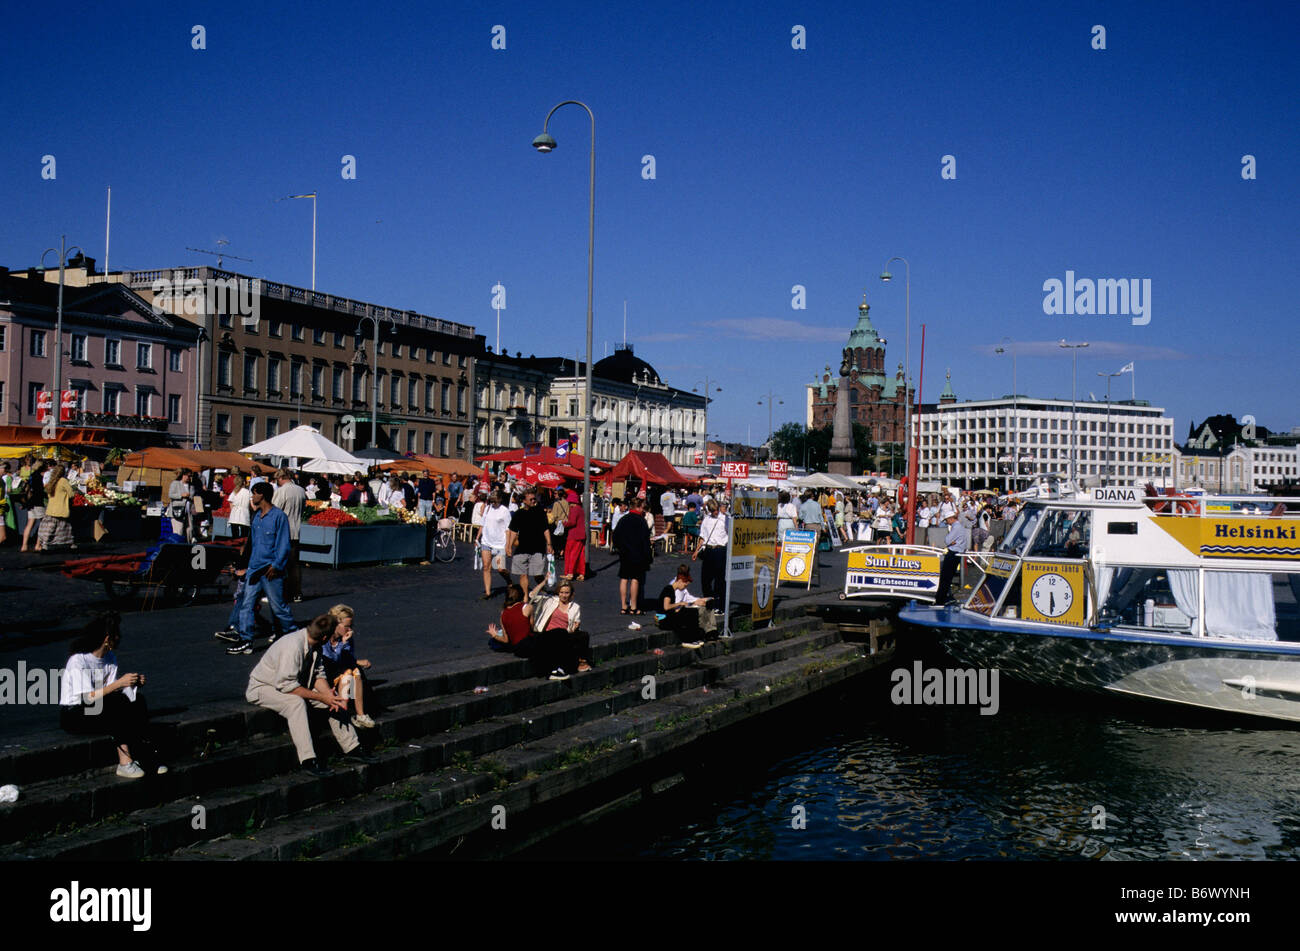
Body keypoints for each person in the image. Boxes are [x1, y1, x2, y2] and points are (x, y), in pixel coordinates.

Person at [246, 614, 374, 776]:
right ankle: (308, 760)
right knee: (295, 704)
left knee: (334, 699)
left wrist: (329, 695)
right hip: (264, 687)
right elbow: (286, 686)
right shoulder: (292, 647)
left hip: (291, 684)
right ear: (325, 637)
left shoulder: (315, 644)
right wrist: (322, 697)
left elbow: (317, 675)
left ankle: (353, 748)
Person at [59, 613, 166, 778]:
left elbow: (111, 690)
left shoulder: (110, 657)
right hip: (74, 713)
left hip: (98, 707)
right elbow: (88, 698)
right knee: (117, 705)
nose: (120, 638)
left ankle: (146, 756)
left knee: (137, 700)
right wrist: (119, 684)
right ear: (107, 638)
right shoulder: (78, 660)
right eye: (117, 635)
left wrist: (131, 683)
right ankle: (125, 762)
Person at [228, 482, 297, 655]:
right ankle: (246, 640)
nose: (252, 497)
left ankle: (293, 636)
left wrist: (276, 565)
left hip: (270, 570)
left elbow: (283, 544)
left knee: (278, 607)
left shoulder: (278, 517)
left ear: (263, 495)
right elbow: (251, 544)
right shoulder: (256, 516)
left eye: (255, 494)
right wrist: (242, 567)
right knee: (246, 603)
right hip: (254, 568)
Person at [320, 603, 376, 729]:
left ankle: (360, 715)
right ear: (335, 624)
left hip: (342, 670)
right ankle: (343, 711)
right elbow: (331, 659)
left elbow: (348, 657)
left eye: (351, 626)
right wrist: (343, 644)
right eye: (347, 626)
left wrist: (357, 661)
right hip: (326, 673)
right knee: (348, 673)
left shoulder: (346, 637)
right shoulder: (324, 638)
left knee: (354, 671)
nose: (350, 630)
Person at [530, 578, 591, 680]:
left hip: (564, 635)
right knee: (559, 634)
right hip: (548, 634)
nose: (564, 595)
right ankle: (557, 669)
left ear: (571, 594)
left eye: (567, 593)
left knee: (583, 634)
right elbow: (532, 595)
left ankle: (581, 662)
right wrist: (544, 581)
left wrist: (575, 627)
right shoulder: (550, 600)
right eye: (562, 592)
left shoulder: (575, 607)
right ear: (558, 592)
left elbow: (574, 624)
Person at [658, 564, 716, 648]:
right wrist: (680, 604)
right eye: (685, 585)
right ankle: (689, 639)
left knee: (692, 611)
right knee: (690, 613)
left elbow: (686, 597)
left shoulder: (673, 589)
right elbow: (666, 607)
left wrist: (698, 600)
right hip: (664, 618)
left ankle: (697, 637)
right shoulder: (668, 589)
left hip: (669, 615)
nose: (685, 587)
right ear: (680, 581)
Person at [612, 496, 653, 614]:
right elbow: (645, 541)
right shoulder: (641, 521)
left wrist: (620, 548)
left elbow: (615, 537)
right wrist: (648, 557)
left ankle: (623, 606)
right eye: (642, 508)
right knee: (635, 579)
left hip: (625, 553)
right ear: (638, 507)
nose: (644, 510)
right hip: (638, 554)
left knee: (624, 578)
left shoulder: (623, 519)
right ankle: (633, 606)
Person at [507, 488, 552, 591]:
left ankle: (543, 589)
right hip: (522, 547)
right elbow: (513, 530)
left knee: (537, 574)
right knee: (523, 574)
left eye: (534, 499)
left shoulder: (540, 512)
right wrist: (509, 545)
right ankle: (526, 597)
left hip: (538, 547)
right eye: (531, 499)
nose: (533, 501)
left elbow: (546, 529)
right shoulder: (518, 514)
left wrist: (549, 544)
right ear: (524, 501)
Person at [272, 468, 306, 603]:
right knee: (294, 565)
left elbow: (275, 511)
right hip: (296, 531)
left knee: (279, 563)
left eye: (277, 480)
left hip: (282, 532)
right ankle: (297, 593)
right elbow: (303, 509)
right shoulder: (301, 490)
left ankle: (280, 593)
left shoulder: (281, 491)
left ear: (281, 478)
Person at [476, 491, 513, 599]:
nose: (493, 503)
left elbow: (508, 529)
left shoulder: (504, 511)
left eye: (495, 501)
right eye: (491, 500)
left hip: (500, 543)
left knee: (500, 568)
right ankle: (488, 592)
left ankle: (509, 580)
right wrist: (477, 538)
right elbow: (483, 524)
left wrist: (508, 545)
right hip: (486, 541)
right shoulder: (488, 508)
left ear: (500, 499)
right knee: (486, 566)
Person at [693, 498, 728, 602]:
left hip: (720, 549)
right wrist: (696, 551)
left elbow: (730, 534)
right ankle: (709, 599)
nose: (715, 512)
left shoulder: (725, 519)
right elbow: (702, 536)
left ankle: (720, 602)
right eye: (713, 511)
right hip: (708, 549)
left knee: (719, 579)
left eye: (716, 509)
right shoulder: (706, 519)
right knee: (705, 578)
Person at [38, 464, 79, 551]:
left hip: (51, 509)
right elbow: (71, 494)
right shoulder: (63, 481)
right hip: (61, 509)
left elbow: (49, 494)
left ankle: (45, 544)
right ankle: (71, 543)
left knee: (50, 529)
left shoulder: (52, 481)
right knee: (66, 528)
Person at [936, 511, 970, 605]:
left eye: (947, 520)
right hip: (957, 553)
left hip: (953, 553)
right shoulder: (959, 527)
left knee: (945, 578)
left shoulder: (956, 527)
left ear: (951, 518)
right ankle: (946, 597)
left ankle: (940, 600)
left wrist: (951, 542)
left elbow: (947, 540)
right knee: (948, 577)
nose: (946, 522)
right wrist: (952, 542)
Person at [19, 461, 47, 552]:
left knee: (29, 524)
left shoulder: (31, 476)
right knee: (43, 524)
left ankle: (24, 545)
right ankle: (38, 545)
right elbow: (39, 492)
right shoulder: (39, 478)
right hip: (38, 503)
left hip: (30, 504)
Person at [561, 487, 587, 582]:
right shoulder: (580, 509)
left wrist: (563, 523)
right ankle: (581, 573)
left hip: (574, 535)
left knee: (570, 554)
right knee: (580, 555)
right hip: (581, 535)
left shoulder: (574, 509)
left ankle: (570, 573)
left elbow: (571, 522)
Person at [227, 474, 252, 539]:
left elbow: (231, 504)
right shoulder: (248, 492)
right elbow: (251, 505)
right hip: (244, 516)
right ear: (244, 482)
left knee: (235, 537)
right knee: (244, 537)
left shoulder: (234, 492)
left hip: (234, 516)